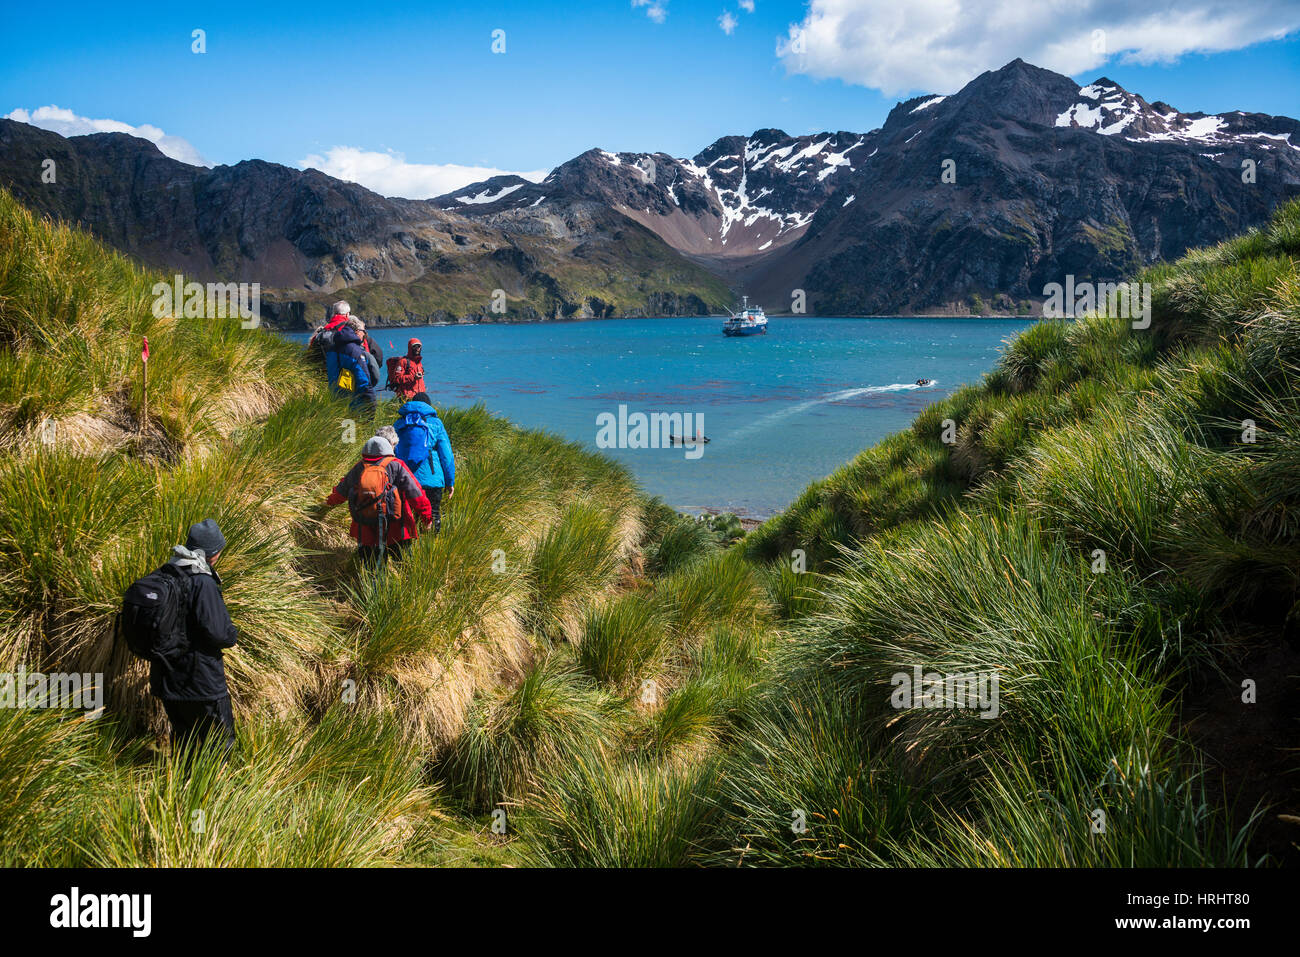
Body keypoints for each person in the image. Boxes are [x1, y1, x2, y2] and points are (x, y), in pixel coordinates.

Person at [150, 519, 239, 758]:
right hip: (201, 682)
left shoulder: (164, 573)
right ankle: (213, 793)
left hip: (167, 680)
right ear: (214, 553)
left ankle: (180, 791)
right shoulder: (202, 581)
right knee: (219, 745)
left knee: (185, 744)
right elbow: (220, 633)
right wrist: (233, 633)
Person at [322, 435, 432, 562]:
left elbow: (342, 491)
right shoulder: (396, 465)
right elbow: (416, 493)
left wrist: (327, 503)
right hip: (396, 528)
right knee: (405, 565)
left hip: (365, 527)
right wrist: (427, 517)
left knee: (371, 569)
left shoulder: (359, 467)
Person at [393, 391, 455, 534]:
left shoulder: (400, 423)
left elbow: (394, 452)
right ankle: (433, 548)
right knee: (433, 514)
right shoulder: (436, 423)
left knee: (409, 516)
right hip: (432, 480)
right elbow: (446, 456)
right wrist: (449, 481)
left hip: (407, 479)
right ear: (428, 406)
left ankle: (410, 549)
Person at [324, 312, 376, 416]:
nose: (364, 334)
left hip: (335, 401)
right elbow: (363, 381)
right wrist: (371, 402)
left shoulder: (331, 349)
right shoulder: (355, 351)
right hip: (354, 405)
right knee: (352, 430)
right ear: (357, 331)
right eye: (363, 331)